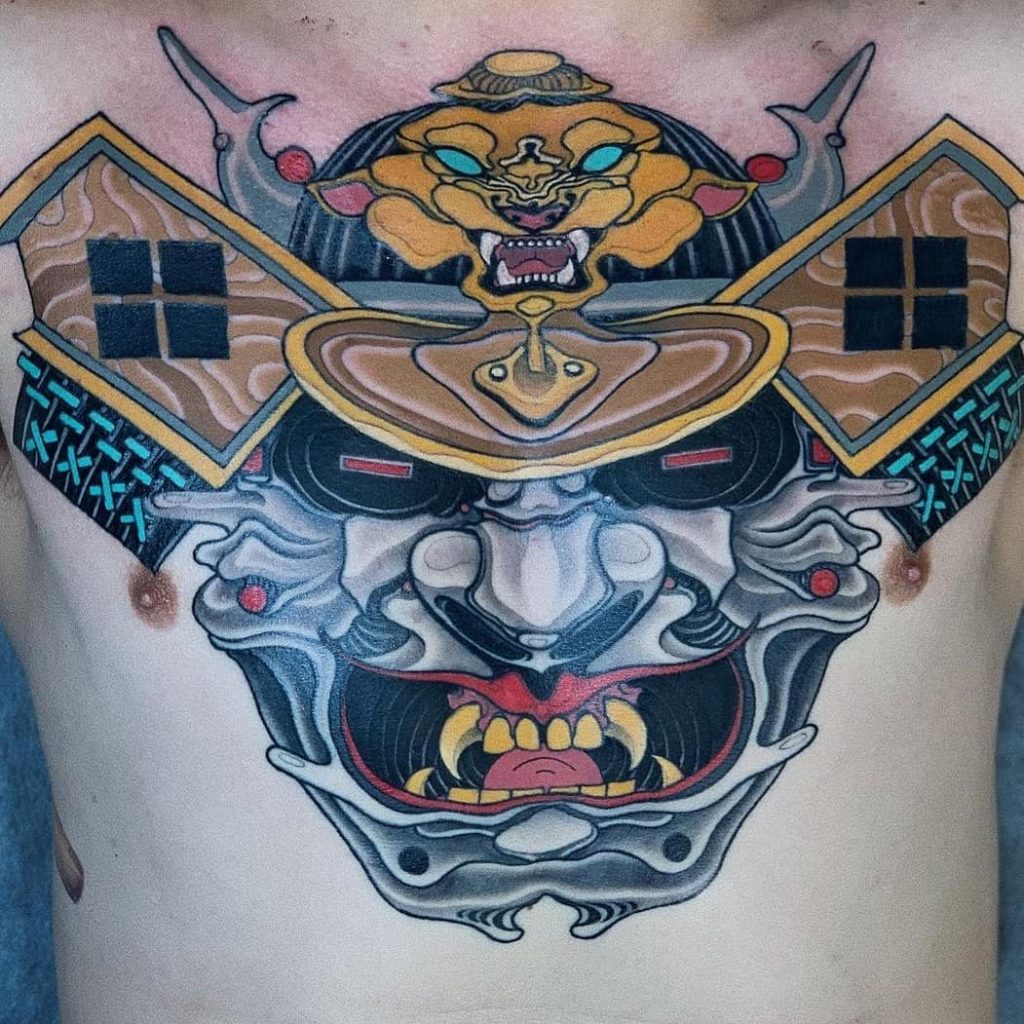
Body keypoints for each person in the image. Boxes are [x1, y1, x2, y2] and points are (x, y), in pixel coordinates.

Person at [1, 2, 1022, 1021]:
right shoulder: (29, 98)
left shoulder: (991, 89)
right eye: (375, 468)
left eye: (697, 461)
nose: (535, 610)